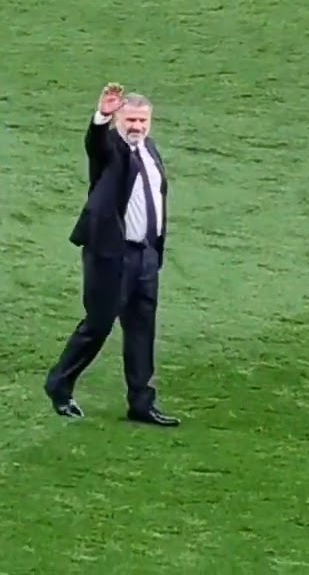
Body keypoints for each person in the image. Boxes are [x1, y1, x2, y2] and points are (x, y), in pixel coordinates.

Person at [44, 84, 179, 427]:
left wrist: (155, 249)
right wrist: (102, 116)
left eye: (142, 120)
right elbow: (96, 143)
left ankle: (141, 402)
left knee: (141, 329)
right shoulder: (112, 149)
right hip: (111, 256)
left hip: (146, 255)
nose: (137, 126)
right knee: (98, 324)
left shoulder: (150, 149)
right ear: (119, 119)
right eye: (130, 119)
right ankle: (59, 384)